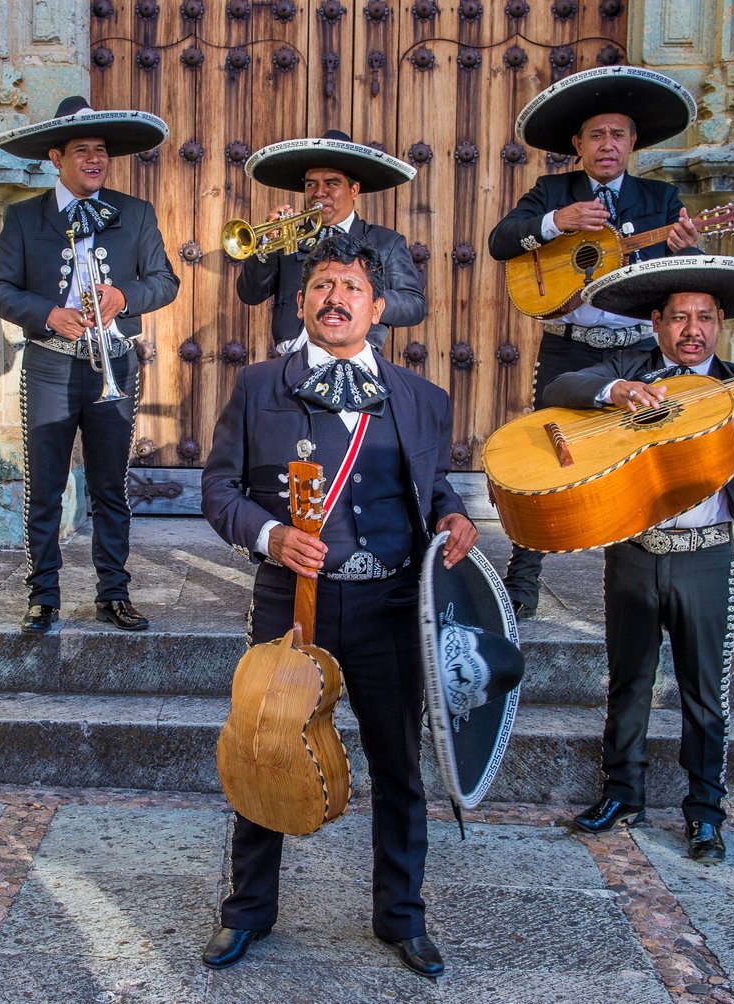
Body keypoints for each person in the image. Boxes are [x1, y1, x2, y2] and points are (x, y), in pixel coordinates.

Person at [200, 234, 477, 977]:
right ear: (301, 303)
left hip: (391, 607)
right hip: (291, 604)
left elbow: (432, 489)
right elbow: (219, 492)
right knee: (268, 752)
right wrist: (270, 535)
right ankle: (247, 914)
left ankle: (402, 918)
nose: (335, 300)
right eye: (322, 286)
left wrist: (454, 516)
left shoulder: (424, 399)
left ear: (377, 308)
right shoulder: (259, 386)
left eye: (350, 289)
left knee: (398, 765)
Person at [544, 255, 734, 863]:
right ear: (658, 325)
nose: (692, 329)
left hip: (706, 556)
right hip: (634, 551)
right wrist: (618, 391)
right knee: (630, 679)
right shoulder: (631, 368)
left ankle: (706, 813)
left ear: (720, 325)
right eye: (679, 318)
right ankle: (621, 794)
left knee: (703, 689)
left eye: (705, 318)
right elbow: (560, 389)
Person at [488, 66, 703, 617]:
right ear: (578, 145)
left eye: (618, 135)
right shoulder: (550, 192)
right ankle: (523, 577)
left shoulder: (660, 199)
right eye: (596, 135)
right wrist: (557, 222)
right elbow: (502, 242)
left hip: (638, 350)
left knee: (640, 452)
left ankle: (634, 582)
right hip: (570, 343)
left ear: (633, 142)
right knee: (545, 450)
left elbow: (680, 283)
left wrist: (682, 250)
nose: (607, 145)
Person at [0, 95, 180, 635]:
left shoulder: (135, 212)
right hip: (49, 364)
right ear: (56, 157)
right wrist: (47, 313)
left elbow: (166, 281)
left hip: (113, 361)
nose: (95, 160)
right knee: (45, 484)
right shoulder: (25, 217)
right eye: (82, 151)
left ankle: (113, 592)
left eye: (101, 151)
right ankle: (43, 595)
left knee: (110, 484)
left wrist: (125, 296)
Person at [237, 130, 425, 355]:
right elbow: (250, 294)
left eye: (331, 183)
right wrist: (266, 244)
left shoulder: (386, 242)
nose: (319, 193)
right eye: (311, 185)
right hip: (293, 360)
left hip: (357, 359)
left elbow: (414, 305)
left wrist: (364, 296)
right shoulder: (288, 236)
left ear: (353, 190)